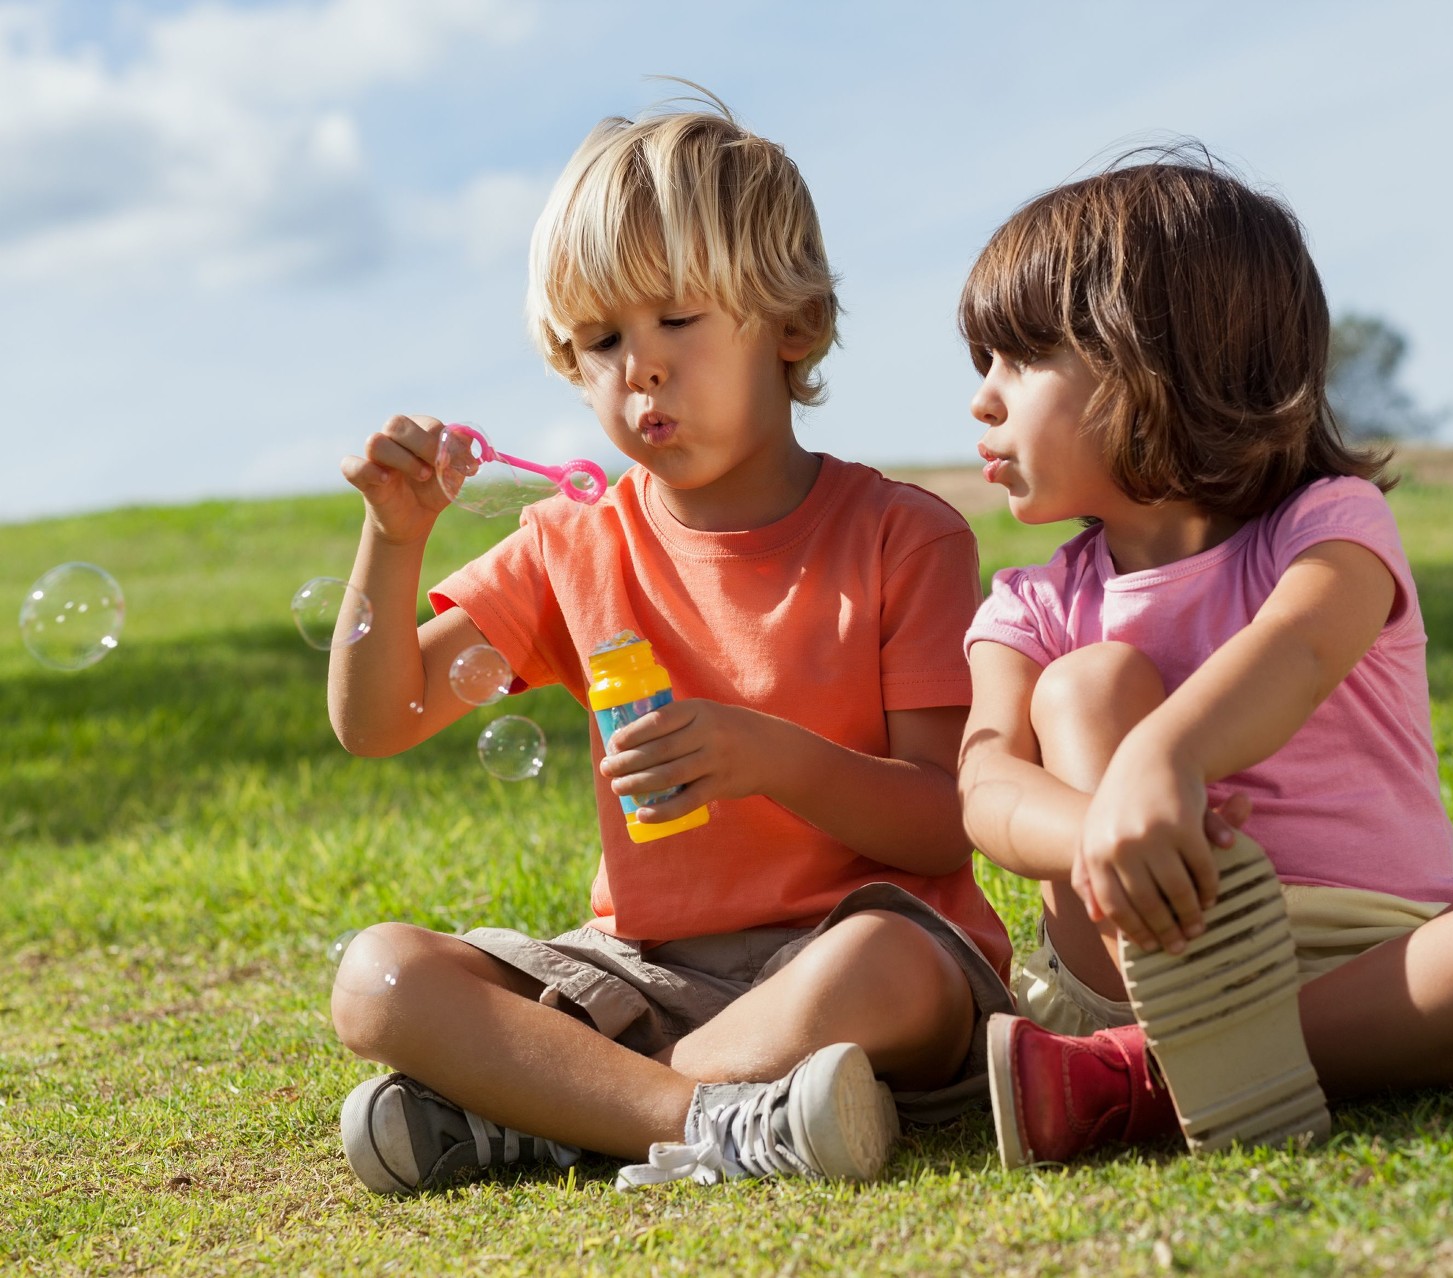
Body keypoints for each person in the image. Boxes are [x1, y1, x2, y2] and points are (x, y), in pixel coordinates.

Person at [325, 94, 1012, 1194]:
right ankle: (707, 1121)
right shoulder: (572, 545)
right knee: (378, 977)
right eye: (601, 341)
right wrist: (393, 539)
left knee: (893, 967)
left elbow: (944, 820)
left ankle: (565, 1112)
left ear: (792, 326)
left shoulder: (904, 538)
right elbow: (378, 719)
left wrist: (771, 758)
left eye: (676, 320)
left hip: (846, 959)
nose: (637, 369)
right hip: (643, 978)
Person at [954, 151, 1453, 1167]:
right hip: (1135, 946)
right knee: (1089, 684)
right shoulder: (1033, 603)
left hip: (1363, 954)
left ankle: (1139, 1080)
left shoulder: (1330, 529)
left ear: (1157, 359)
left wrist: (1166, 758)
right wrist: (1105, 826)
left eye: (1022, 359)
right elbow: (984, 782)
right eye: (984, 365)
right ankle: (1187, 1047)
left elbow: (1299, 647)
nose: (984, 400)